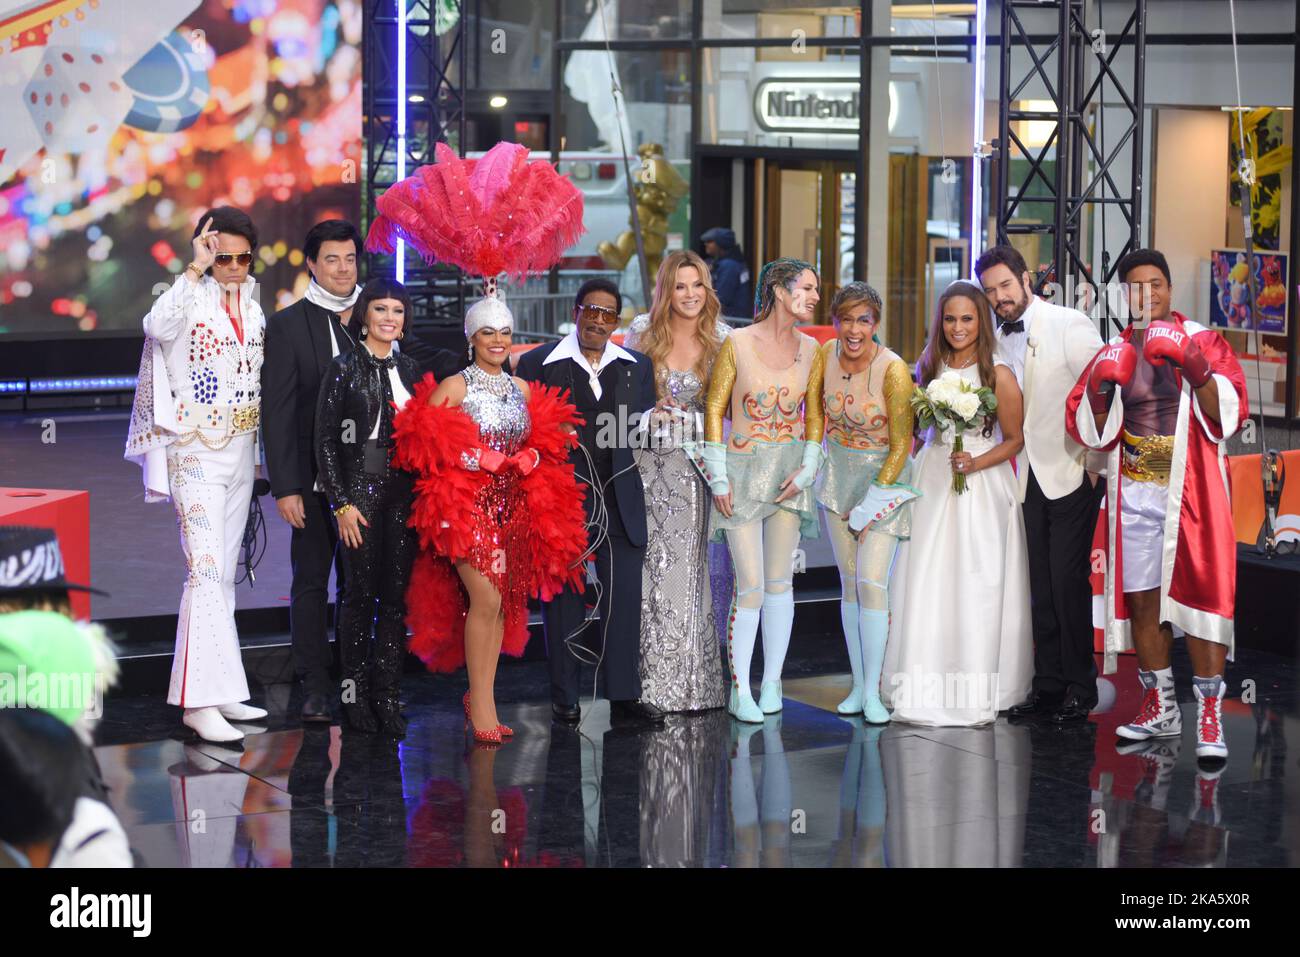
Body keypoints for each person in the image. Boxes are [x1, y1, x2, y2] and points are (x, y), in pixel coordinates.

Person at [1067, 248, 1248, 762]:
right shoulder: (1115, 347)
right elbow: (1089, 431)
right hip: (1134, 490)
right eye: (1135, 287)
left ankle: (1209, 715)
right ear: (1125, 294)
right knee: (1144, 600)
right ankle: (1160, 706)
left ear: (1170, 288)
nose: (1146, 295)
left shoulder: (1204, 341)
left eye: (1155, 285)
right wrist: (1101, 390)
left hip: (1191, 491)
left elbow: (1230, 415)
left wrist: (1196, 368)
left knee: (1202, 599)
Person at [394, 286, 588, 745]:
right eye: (487, 332)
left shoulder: (522, 388)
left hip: (514, 510)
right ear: (471, 338)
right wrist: (476, 458)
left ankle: (483, 697)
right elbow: (419, 443)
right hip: (466, 510)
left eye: (504, 332)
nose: (497, 341)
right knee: (485, 600)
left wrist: (530, 460)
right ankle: (481, 703)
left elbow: (545, 442)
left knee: (502, 603)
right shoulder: (455, 386)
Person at [125, 206, 267, 744]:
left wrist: (257, 459)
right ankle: (197, 700)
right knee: (205, 570)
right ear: (205, 250)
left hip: (239, 453)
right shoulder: (188, 298)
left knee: (226, 573)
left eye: (240, 256)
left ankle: (224, 685)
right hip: (193, 453)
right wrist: (193, 268)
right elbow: (154, 327)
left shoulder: (252, 309)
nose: (231, 265)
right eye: (220, 254)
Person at [515, 279, 665, 728]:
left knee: (623, 599)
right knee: (563, 601)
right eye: (591, 311)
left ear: (617, 321)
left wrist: (659, 422)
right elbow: (522, 428)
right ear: (577, 312)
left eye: (608, 314)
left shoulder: (637, 366)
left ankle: (624, 697)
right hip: (563, 502)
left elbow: (638, 430)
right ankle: (565, 698)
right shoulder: (539, 363)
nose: (599, 320)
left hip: (620, 498)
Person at [885, 280, 1032, 726]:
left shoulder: (998, 373)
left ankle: (976, 682)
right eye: (950, 318)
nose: (957, 327)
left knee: (975, 579)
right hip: (932, 476)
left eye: (967, 318)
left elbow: (1015, 440)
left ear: (981, 321)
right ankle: (922, 678)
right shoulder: (929, 364)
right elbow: (914, 430)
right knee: (925, 575)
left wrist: (975, 462)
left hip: (981, 486)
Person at [977, 243, 1105, 724]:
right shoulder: (994, 336)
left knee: (1067, 579)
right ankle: (1047, 684)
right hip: (1024, 477)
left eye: (1005, 286)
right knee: (1038, 583)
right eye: (991, 291)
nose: (999, 298)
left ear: (1026, 278)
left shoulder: (1069, 323)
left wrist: (1096, 462)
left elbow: (1103, 390)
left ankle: (1080, 685)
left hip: (1073, 470)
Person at [700, 259, 825, 722]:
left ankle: (772, 681)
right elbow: (715, 407)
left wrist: (810, 465)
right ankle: (741, 689)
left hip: (789, 475)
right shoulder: (736, 342)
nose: (814, 296)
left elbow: (815, 414)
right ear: (777, 288)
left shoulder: (813, 350)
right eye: (807, 288)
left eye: (816, 289)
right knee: (749, 587)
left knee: (779, 584)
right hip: (742, 474)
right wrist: (718, 474)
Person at [261, 219, 363, 722]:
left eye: (349, 259)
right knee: (310, 584)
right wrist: (285, 487)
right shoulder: (285, 325)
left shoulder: (378, 315)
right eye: (332, 260)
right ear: (312, 265)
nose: (342, 269)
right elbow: (277, 412)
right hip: (311, 483)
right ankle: (315, 687)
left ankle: (354, 681)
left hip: (369, 482)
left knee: (360, 586)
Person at [314, 278, 423, 734]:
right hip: (358, 496)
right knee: (358, 597)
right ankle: (353, 697)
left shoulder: (412, 370)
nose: (389, 318)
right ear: (364, 315)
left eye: (397, 311)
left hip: (405, 495)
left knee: (397, 600)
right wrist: (340, 503)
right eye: (380, 309)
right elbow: (324, 441)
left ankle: (388, 696)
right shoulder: (343, 368)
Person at [623, 250, 730, 713]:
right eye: (681, 286)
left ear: (708, 289)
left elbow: (731, 410)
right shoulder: (641, 333)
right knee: (648, 569)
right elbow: (623, 402)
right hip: (645, 466)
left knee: (687, 571)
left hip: (694, 471)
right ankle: (646, 685)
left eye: (698, 285)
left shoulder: (725, 339)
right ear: (667, 289)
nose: (690, 295)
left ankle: (693, 685)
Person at [816, 283, 917, 723]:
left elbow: (901, 443)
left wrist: (869, 505)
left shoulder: (893, 369)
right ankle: (858, 684)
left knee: (873, 582)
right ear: (835, 321)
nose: (854, 330)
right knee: (850, 581)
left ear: (875, 324)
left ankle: (875, 690)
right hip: (838, 476)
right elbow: (817, 412)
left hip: (884, 480)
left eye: (864, 320)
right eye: (846, 319)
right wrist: (811, 458)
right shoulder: (825, 355)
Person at [701, 227, 753, 320]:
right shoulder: (729, 262)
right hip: (733, 319)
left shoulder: (729, 266)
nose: (706, 244)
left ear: (721, 244)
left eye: (710, 241)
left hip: (733, 320)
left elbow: (721, 299)